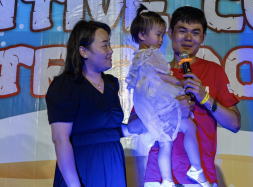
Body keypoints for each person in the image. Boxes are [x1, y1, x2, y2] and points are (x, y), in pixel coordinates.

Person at [135, 6, 241, 187]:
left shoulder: (214, 71)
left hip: (200, 176)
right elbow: (134, 125)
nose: (188, 38)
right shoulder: (155, 71)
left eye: (195, 33)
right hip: (159, 176)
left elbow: (234, 124)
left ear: (203, 38)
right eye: (182, 31)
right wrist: (171, 110)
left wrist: (205, 98)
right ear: (170, 33)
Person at [126, 4, 210, 187]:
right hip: (160, 102)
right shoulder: (150, 55)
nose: (161, 40)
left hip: (151, 102)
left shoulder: (139, 58)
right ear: (142, 35)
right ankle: (195, 168)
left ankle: (167, 180)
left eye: (162, 35)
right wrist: (179, 82)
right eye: (158, 34)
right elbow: (161, 76)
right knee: (189, 127)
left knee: (166, 143)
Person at [45, 20, 135, 187]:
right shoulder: (65, 86)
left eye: (110, 45)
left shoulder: (111, 83)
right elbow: (60, 139)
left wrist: (134, 128)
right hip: (84, 169)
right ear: (83, 52)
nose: (111, 51)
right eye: (104, 45)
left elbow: (108, 131)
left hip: (113, 167)